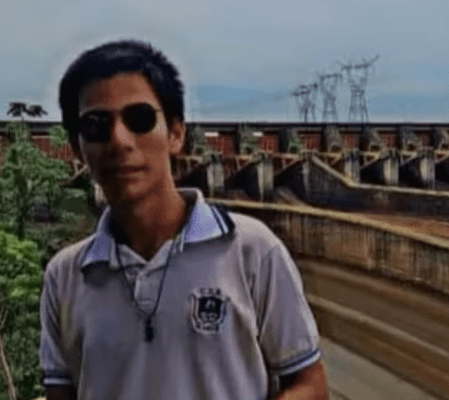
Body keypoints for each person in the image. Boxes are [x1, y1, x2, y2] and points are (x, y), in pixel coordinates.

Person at [40, 39, 328, 400]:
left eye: (139, 119)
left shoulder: (251, 250)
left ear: (176, 134)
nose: (119, 140)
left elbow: (310, 384)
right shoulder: (65, 276)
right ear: (76, 145)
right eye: (96, 125)